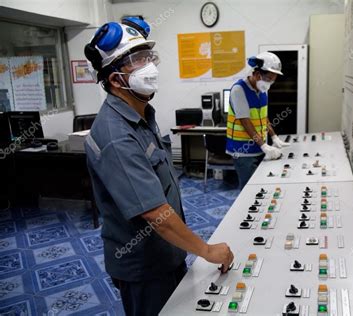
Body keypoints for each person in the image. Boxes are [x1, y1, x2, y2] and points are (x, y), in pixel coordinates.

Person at [83, 17, 234, 315]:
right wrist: (206, 251)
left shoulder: (141, 114)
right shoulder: (116, 135)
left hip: (168, 252)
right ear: (115, 80)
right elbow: (156, 214)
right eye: (138, 60)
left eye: (149, 55)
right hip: (144, 266)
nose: (149, 65)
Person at [226, 52, 291, 188]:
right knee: (248, 190)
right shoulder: (239, 90)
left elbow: (263, 116)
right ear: (256, 75)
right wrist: (264, 145)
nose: (270, 83)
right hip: (242, 151)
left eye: (273, 80)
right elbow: (245, 121)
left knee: (261, 188)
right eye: (268, 79)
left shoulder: (262, 89)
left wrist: (274, 137)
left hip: (259, 147)